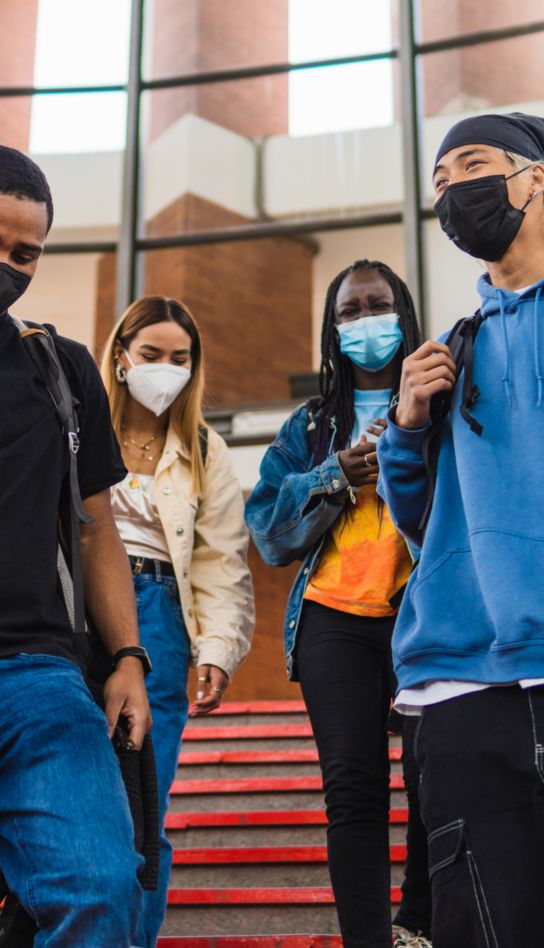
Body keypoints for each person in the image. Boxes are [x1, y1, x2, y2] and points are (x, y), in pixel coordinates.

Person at [0, 145, 150, 947]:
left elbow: (96, 526)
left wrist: (127, 660)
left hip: (35, 682)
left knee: (102, 895)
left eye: (25, 254)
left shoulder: (62, 367)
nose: (4, 268)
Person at [376, 111, 544, 946]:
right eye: (438, 182)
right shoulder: (449, 350)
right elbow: (419, 519)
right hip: (463, 681)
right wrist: (407, 423)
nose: (452, 192)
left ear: (535, 176)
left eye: (470, 166)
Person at [245, 260, 431, 948]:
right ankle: (369, 941)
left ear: (403, 313)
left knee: (432, 774)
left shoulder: (439, 397)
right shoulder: (311, 424)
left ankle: (419, 924)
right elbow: (266, 531)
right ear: (332, 328)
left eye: (376, 306)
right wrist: (334, 475)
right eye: (349, 313)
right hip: (333, 620)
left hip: (425, 613)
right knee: (352, 790)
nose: (363, 323)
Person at [100, 295, 254, 946]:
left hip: (162, 619)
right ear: (121, 355)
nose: (166, 369)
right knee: (74, 802)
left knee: (145, 803)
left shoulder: (203, 448)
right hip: (78, 617)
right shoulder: (80, 425)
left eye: (181, 359)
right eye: (152, 355)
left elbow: (223, 559)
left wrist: (217, 648)